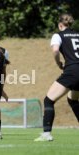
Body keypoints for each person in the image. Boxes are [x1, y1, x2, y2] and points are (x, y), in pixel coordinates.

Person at [34, 13, 79, 142]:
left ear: (60, 25)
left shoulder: (58, 35)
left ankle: (46, 133)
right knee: (73, 100)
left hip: (72, 71)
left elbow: (55, 50)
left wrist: (58, 63)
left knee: (48, 100)